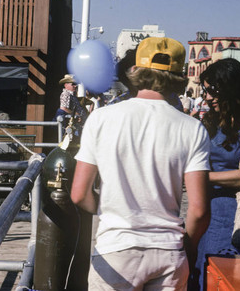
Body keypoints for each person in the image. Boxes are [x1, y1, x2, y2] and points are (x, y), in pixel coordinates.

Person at [71, 37, 211, 290]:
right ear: (179, 75)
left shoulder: (101, 119)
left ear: (135, 70)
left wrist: (108, 210)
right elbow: (199, 211)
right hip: (168, 252)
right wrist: (184, 249)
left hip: (116, 248)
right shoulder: (193, 128)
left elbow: (79, 194)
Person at [192, 58, 240, 290]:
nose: (208, 97)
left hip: (235, 217)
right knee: (201, 276)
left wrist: (197, 178)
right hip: (206, 213)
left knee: (222, 279)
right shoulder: (214, 120)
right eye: (206, 91)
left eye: (213, 91)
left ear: (232, 88)